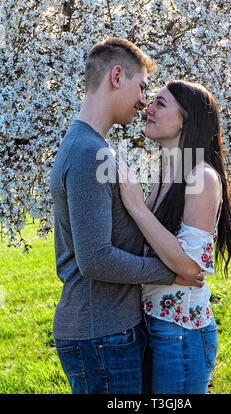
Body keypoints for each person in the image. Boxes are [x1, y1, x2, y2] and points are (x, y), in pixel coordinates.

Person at [49, 38, 204, 395]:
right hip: (101, 335)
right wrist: (170, 273)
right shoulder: (89, 152)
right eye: (142, 87)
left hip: (108, 332)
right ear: (117, 76)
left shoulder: (95, 146)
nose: (144, 101)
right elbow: (95, 259)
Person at [118, 79, 231, 394]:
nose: (149, 108)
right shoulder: (167, 173)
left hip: (181, 334)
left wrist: (136, 205)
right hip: (153, 325)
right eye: (152, 101)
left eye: (161, 104)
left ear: (187, 120)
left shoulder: (201, 176)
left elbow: (191, 267)